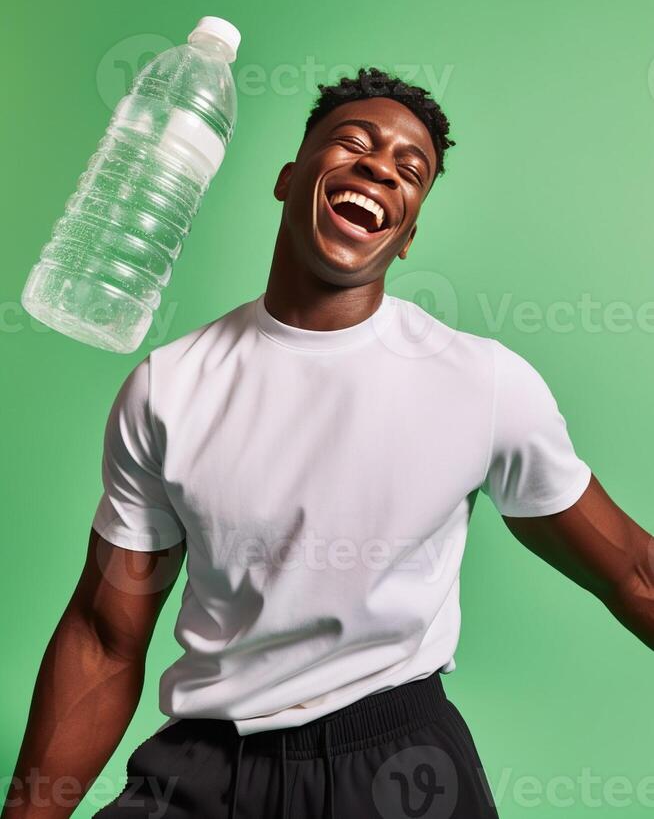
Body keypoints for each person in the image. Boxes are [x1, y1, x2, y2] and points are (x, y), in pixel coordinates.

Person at [3, 68, 652, 819]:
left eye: (412, 170)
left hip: (399, 771)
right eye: (353, 142)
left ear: (407, 235)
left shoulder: (483, 383)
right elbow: (103, 635)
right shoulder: (169, 388)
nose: (382, 166)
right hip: (206, 767)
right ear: (288, 179)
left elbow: (633, 572)